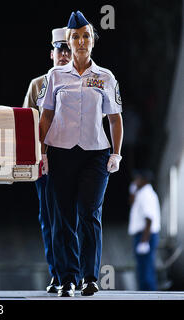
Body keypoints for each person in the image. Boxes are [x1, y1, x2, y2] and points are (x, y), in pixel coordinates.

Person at [38, 11, 124, 297]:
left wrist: (117, 154)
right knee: (62, 217)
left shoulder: (105, 77)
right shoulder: (55, 75)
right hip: (61, 152)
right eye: (76, 37)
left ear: (93, 41)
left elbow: (114, 118)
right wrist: (42, 152)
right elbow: (46, 115)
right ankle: (67, 278)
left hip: (95, 154)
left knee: (89, 212)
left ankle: (89, 277)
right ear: (68, 41)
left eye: (86, 35)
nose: (81, 41)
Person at [23, 27, 72, 293]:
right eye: (59, 49)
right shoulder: (38, 85)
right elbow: (26, 124)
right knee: (49, 219)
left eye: (68, 49)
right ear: (51, 53)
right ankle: (57, 272)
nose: (63, 55)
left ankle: (73, 274)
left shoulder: (82, 80)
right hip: (46, 158)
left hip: (74, 157)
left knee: (71, 217)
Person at [128, 169, 161, 291]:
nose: (136, 181)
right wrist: (133, 191)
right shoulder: (141, 193)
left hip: (146, 235)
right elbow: (131, 203)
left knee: (146, 270)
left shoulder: (146, 195)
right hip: (143, 235)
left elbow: (149, 219)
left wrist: (144, 241)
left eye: (138, 179)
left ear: (145, 180)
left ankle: (149, 294)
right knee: (142, 268)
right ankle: (145, 293)